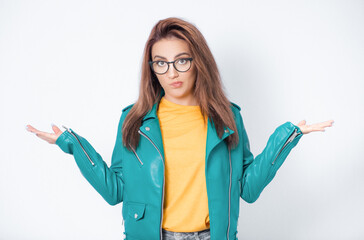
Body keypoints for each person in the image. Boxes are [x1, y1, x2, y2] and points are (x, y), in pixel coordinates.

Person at [26, 17, 334, 240]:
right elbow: (114, 191)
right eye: (160, 63)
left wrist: (287, 137)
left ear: (198, 61)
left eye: (182, 61)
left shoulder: (227, 118)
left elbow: (248, 190)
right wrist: (72, 145)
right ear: (152, 68)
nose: (171, 72)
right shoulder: (135, 120)